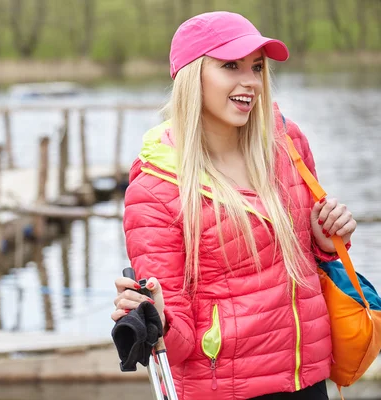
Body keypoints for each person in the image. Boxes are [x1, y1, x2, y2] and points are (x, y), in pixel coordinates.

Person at [111, 11, 357, 400]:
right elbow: (177, 348)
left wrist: (326, 246)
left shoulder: (288, 144)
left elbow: (304, 268)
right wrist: (158, 315)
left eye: (257, 67)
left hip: (307, 380)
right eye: (231, 66)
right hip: (226, 390)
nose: (251, 82)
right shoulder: (155, 191)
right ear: (193, 77)